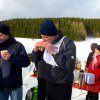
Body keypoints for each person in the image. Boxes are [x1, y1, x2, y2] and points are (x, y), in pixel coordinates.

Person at [33, 19, 76, 100]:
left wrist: (53, 53)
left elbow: (69, 67)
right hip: (47, 82)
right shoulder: (46, 43)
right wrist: (35, 51)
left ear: (54, 35)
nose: (43, 40)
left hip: (61, 86)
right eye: (42, 37)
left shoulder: (67, 43)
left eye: (46, 37)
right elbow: (37, 61)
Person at [0, 24, 30, 100]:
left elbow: (26, 62)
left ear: (7, 34)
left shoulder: (17, 46)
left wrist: (11, 57)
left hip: (15, 86)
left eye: (1, 35)